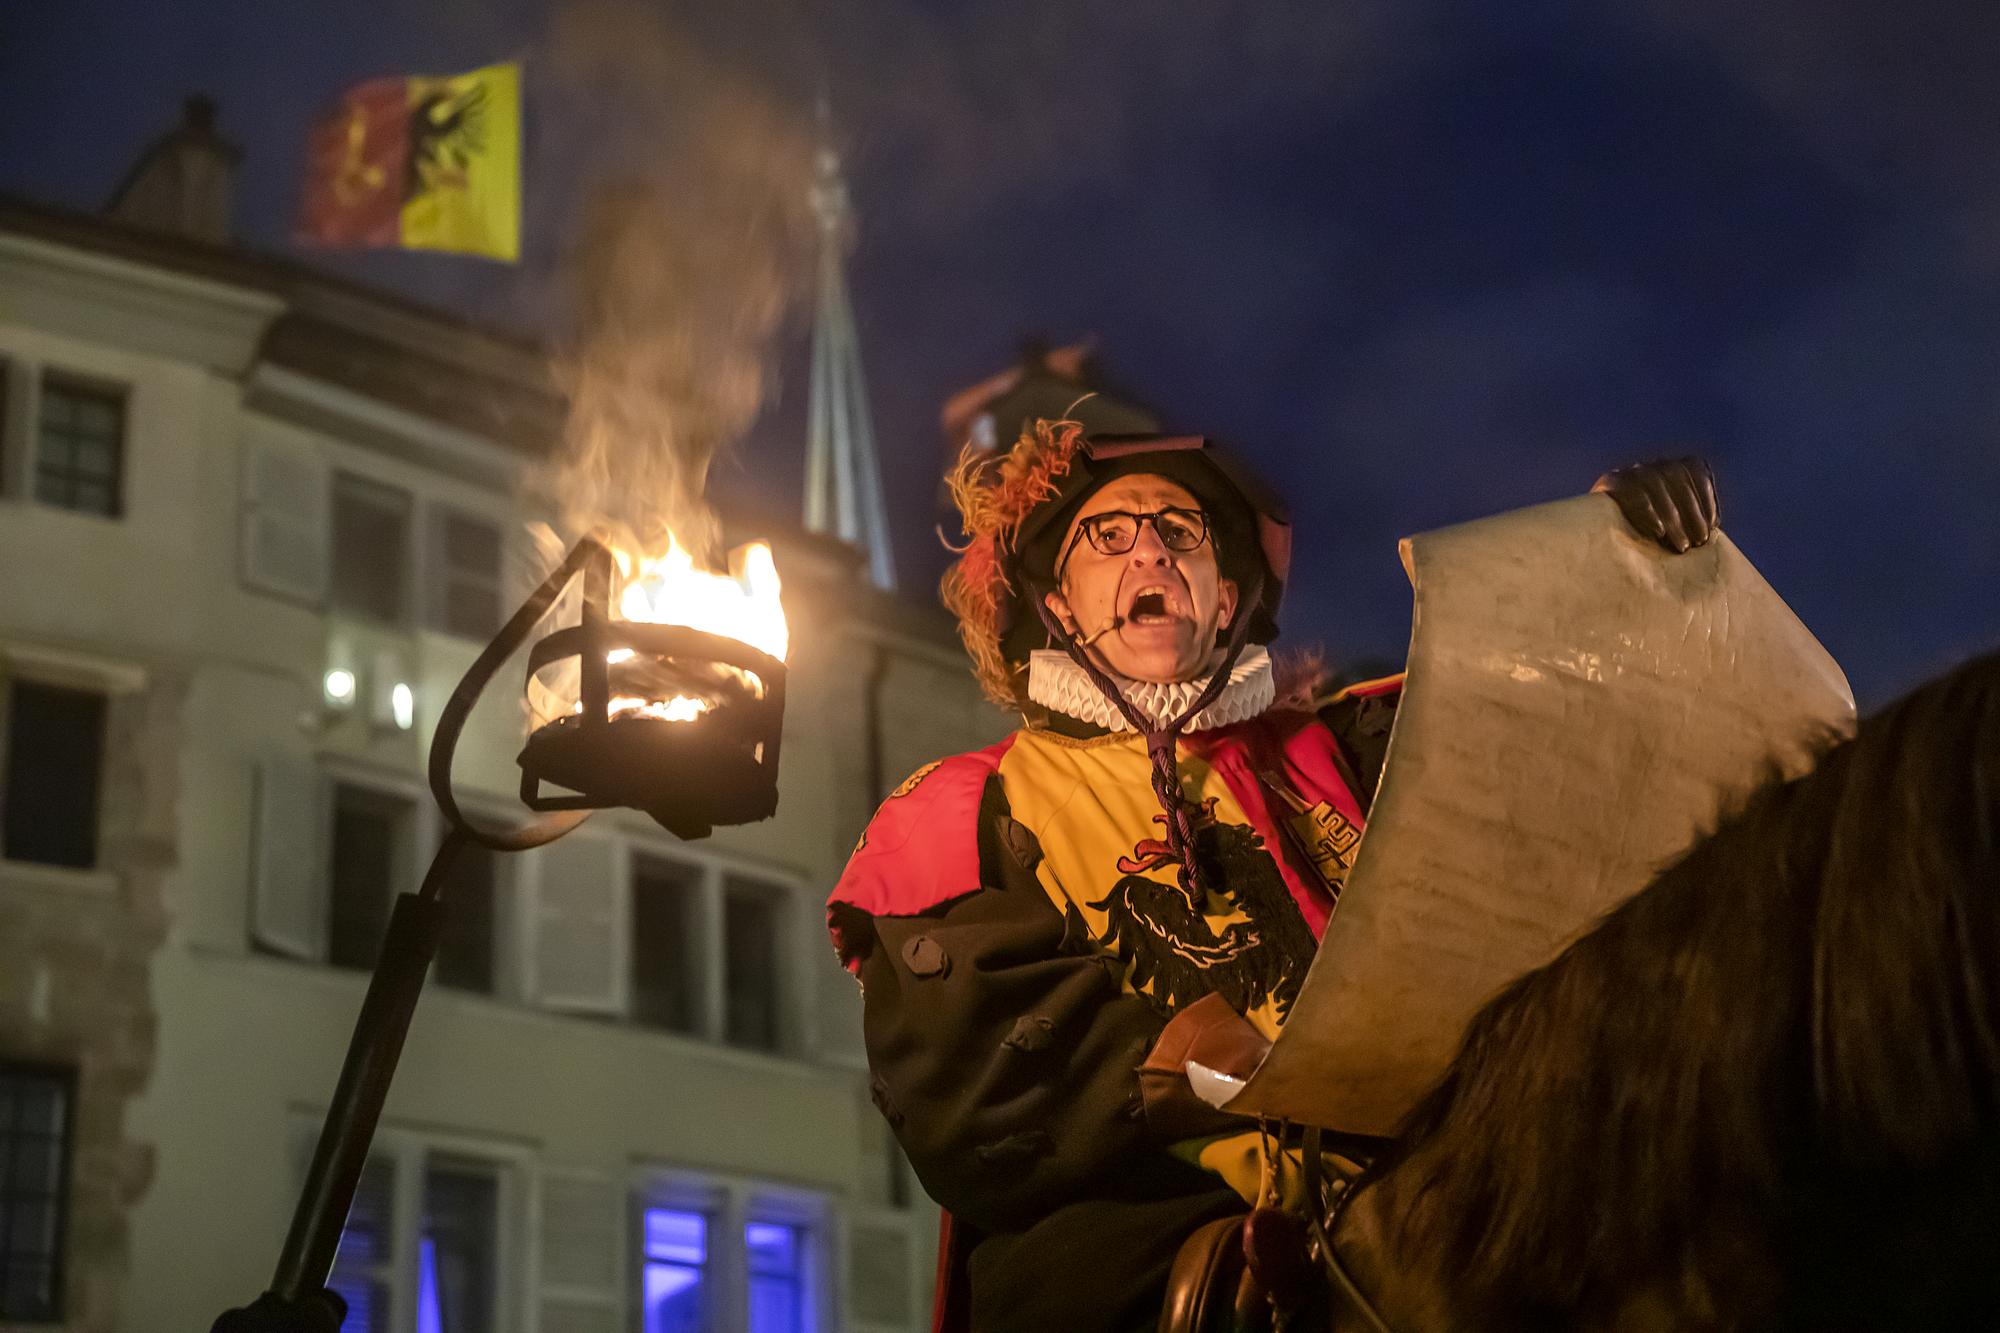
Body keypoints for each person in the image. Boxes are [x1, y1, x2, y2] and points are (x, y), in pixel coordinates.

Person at [825, 420, 1718, 1332]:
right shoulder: (971, 805)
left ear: (1226, 602)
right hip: (1162, 1239)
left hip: (1441, 1197)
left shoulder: (1361, 748)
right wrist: (1233, 1079)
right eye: (1110, 534)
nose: (1152, 553)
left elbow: (1578, 769)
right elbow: (968, 1085)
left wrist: (1621, 573)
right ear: (1057, 604)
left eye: (1183, 533)